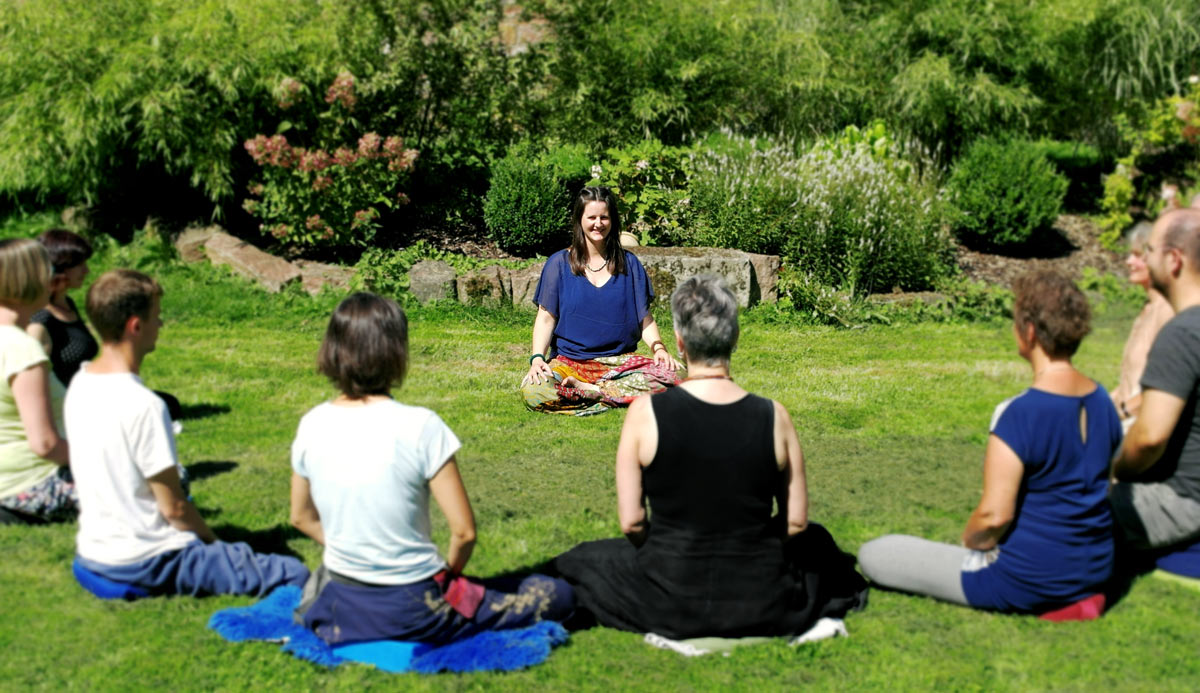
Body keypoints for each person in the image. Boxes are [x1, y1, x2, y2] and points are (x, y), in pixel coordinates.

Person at [553, 276, 867, 638]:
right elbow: (795, 522)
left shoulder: (644, 413)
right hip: (760, 596)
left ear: (680, 342)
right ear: (734, 337)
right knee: (818, 542)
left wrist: (671, 556)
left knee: (580, 561)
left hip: (671, 595)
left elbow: (633, 524)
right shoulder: (775, 416)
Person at [290, 293, 574, 645]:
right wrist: (448, 581)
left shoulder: (312, 424)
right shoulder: (421, 426)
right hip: (414, 606)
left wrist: (355, 550)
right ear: (396, 353)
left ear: (332, 351)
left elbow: (300, 518)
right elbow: (463, 533)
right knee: (556, 593)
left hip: (343, 603)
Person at [858, 270, 1119, 613]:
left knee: (876, 553)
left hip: (1026, 580)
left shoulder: (1020, 413)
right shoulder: (1103, 400)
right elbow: (1104, 488)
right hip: (1096, 569)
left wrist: (970, 541)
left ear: (1029, 331)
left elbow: (994, 515)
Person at [67, 269, 307, 596]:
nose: (161, 323)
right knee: (292, 570)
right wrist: (215, 545)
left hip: (94, 551)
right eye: (156, 316)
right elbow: (174, 509)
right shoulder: (144, 406)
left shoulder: (81, 383)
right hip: (145, 560)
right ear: (135, 326)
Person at [520, 186, 683, 416]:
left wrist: (659, 348)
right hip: (569, 363)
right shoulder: (558, 264)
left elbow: (644, 319)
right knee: (534, 391)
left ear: (612, 220)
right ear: (579, 220)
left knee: (677, 375)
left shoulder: (630, 264)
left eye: (604, 217)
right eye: (592, 217)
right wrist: (537, 358)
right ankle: (612, 395)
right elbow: (546, 319)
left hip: (619, 364)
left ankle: (593, 392)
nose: (598, 224)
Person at [1111, 208, 1200, 553]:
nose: (1144, 259)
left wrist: (1113, 470)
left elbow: (1149, 438)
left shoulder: (1183, 332)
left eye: (1149, 250)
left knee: (1053, 507)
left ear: (1173, 260)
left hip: (1182, 499)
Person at [27, 229, 181, 419]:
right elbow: (35, 381)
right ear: (61, 267)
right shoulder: (40, 320)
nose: (86, 270)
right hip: (71, 405)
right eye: (80, 264)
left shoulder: (67, 304)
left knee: (165, 403)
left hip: (89, 395)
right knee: (159, 407)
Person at [0, 238, 75, 522]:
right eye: (48, 270)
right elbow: (45, 444)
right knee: (167, 477)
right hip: (29, 482)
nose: (54, 279)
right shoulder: (21, 348)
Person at [1110, 222, 1174, 427]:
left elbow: (1164, 385)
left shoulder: (1167, 312)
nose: (1129, 261)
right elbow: (1128, 381)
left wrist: (1121, 414)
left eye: (1137, 255)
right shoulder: (1147, 309)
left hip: (1142, 425)